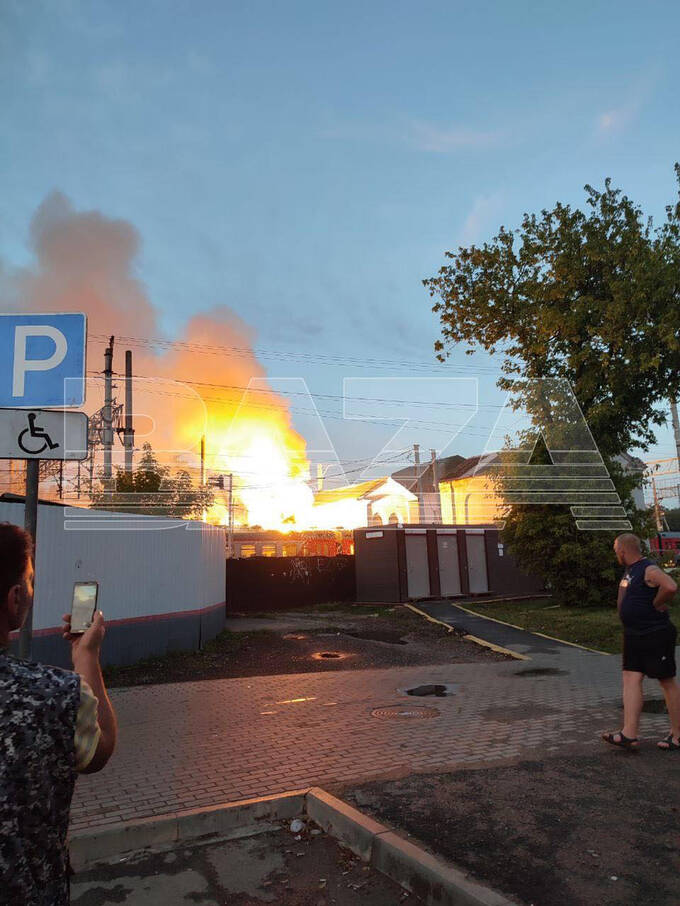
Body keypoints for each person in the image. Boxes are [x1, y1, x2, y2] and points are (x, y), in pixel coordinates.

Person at [0, 523, 117, 904]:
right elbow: (100, 747)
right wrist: (86, 654)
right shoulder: (50, 695)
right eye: (30, 582)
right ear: (15, 598)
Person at [602, 532, 680, 751]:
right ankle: (629, 734)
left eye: (616, 550)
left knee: (666, 680)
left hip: (654, 633)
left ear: (623, 551)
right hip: (634, 634)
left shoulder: (648, 568)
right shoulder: (630, 571)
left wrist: (656, 603)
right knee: (630, 678)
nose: (615, 553)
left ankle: (678, 735)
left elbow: (671, 586)